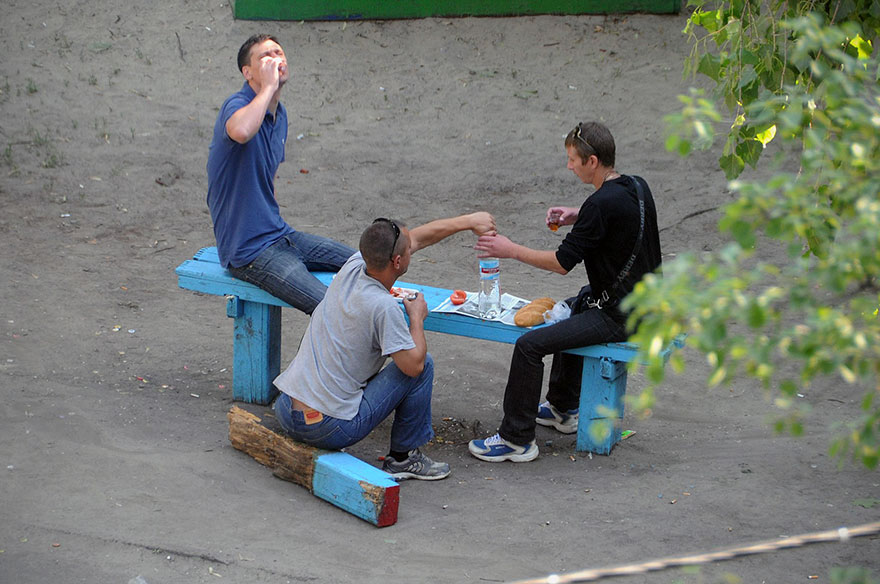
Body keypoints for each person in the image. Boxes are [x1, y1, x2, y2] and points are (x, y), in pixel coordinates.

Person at [468, 121, 662, 463]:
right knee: (577, 303)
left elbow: (561, 263)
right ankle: (562, 407)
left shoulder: (599, 206)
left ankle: (516, 439)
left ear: (592, 161)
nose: (569, 165)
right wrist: (577, 215)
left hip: (621, 317)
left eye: (573, 159)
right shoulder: (636, 186)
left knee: (529, 346)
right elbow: (617, 219)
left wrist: (509, 248)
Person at [273, 212, 496, 480]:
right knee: (422, 365)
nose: (413, 247)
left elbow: (417, 239)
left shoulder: (353, 265)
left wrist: (468, 222)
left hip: (287, 410)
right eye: (407, 249)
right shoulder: (383, 306)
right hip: (327, 428)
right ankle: (403, 459)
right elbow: (412, 366)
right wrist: (416, 318)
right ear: (398, 261)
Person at [206, 34, 355, 315]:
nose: (276, 59)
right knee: (329, 308)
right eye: (265, 56)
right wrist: (269, 86)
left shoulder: (280, 115)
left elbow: (268, 176)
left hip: (281, 235)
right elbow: (240, 132)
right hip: (249, 252)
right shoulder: (236, 105)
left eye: (279, 52)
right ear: (247, 72)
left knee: (364, 263)